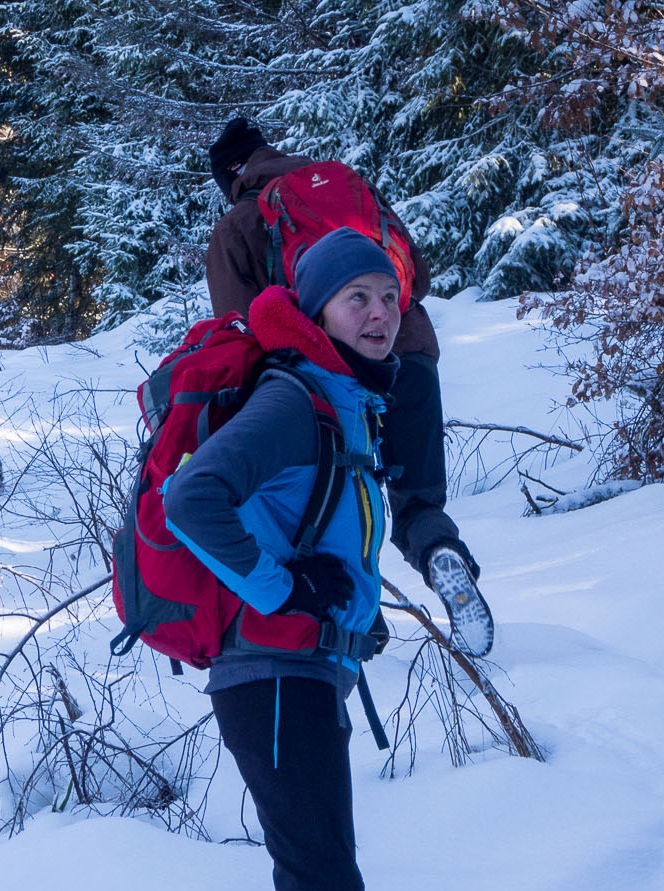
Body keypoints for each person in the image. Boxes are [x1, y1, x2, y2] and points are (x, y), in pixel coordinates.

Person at [132, 229, 467, 891]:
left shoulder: (350, 406)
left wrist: (348, 614)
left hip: (302, 675)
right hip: (269, 676)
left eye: (387, 299)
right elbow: (192, 500)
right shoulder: (296, 399)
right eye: (355, 296)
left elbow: (325, 543)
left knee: (315, 889)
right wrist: (284, 592)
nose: (377, 312)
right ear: (317, 309)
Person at [204, 118, 488, 650]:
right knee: (415, 496)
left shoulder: (237, 226)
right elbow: (416, 278)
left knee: (328, 498)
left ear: (232, 175)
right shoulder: (343, 184)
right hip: (410, 356)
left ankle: (357, 617)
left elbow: (238, 332)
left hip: (326, 383)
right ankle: (438, 549)